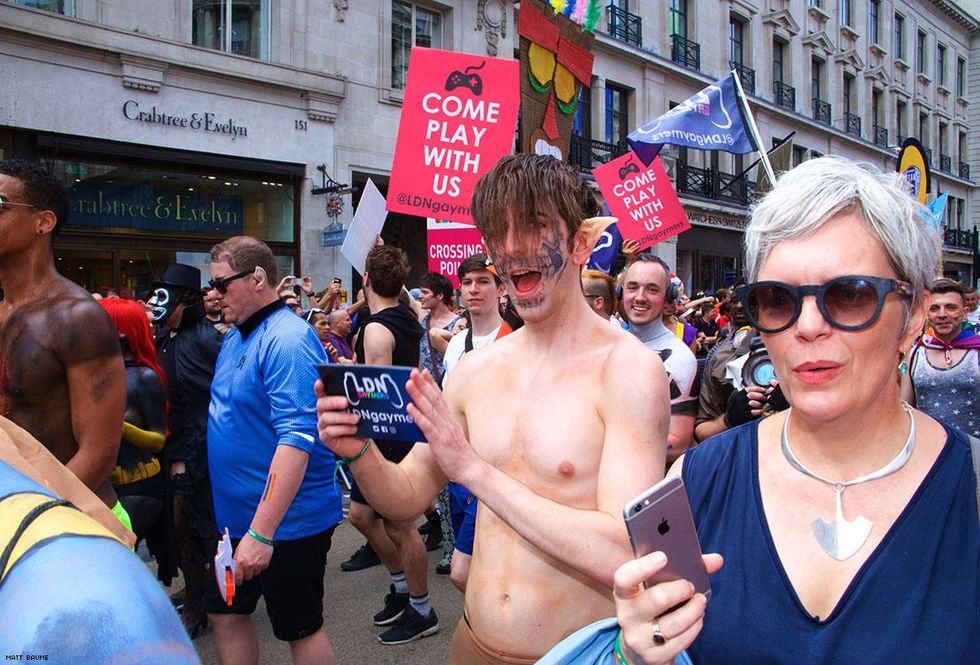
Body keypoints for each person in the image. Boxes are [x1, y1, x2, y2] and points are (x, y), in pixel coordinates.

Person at [611, 156, 978, 664]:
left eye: (848, 295)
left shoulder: (970, 486)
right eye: (778, 299)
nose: (807, 327)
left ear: (913, 316)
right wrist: (638, 653)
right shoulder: (699, 479)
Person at [318, 154, 668, 663]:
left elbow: (622, 550)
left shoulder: (629, 372)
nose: (511, 250)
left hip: (575, 653)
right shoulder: (475, 371)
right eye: (496, 234)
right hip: (472, 643)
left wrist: (475, 471)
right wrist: (358, 452)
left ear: (580, 243)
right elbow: (407, 496)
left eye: (532, 227)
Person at [205, 236, 343, 665]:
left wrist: (262, 533)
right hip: (236, 522)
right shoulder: (234, 338)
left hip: (287, 524)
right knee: (224, 615)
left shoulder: (287, 338)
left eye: (221, 285)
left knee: (300, 630)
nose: (212, 296)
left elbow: (297, 439)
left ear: (257, 278)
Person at [0, 160, 127, 518]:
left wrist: (30, 518)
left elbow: (99, 453)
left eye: (1, 205)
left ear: (43, 221)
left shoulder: (76, 317)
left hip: (76, 524)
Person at [342, 244, 440, 645]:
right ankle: (402, 588)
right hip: (401, 428)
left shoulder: (375, 328)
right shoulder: (408, 316)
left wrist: (349, 373)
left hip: (389, 436)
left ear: (365, 281)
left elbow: (376, 395)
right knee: (362, 517)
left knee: (401, 525)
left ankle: (422, 609)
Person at [151, 262, 224, 637]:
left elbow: (220, 399)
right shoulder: (165, 337)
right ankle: (197, 589)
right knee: (178, 530)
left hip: (201, 451)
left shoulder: (207, 339)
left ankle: (203, 603)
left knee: (193, 527)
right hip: (173, 446)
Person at [441, 252, 509, 590]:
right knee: (479, 568)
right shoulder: (455, 345)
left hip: (497, 472)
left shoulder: (515, 340)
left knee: (461, 572)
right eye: (467, 282)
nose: (474, 289)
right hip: (459, 475)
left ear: (500, 289)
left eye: (483, 281)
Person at [99, 297, 177, 585]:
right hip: (106, 485)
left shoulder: (144, 378)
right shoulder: (99, 373)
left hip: (140, 485)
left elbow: (158, 440)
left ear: (120, 331)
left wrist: (118, 427)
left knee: (118, 560)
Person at [621, 256, 699, 463]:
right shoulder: (604, 345)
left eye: (652, 289)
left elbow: (677, 443)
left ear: (668, 298)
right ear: (621, 293)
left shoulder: (679, 358)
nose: (640, 297)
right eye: (632, 287)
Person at [901, 278, 980, 437]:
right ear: (927, 314)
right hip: (930, 452)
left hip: (974, 455)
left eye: (951, 307)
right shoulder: (915, 353)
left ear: (965, 313)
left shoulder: (977, 352)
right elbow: (905, 408)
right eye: (935, 308)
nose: (942, 314)